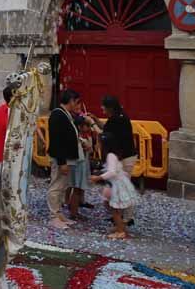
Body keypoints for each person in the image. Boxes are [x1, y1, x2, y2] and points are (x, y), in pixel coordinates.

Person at [84, 95, 138, 223]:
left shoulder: (117, 119)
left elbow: (104, 135)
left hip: (125, 157)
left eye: (104, 107)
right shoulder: (119, 117)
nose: (102, 109)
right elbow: (107, 129)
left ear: (110, 108)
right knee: (118, 187)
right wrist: (96, 120)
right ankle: (119, 215)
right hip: (124, 155)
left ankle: (127, 218)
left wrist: (91, 123)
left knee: (122, 188)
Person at [90, 132, 140, 239]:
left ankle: (121, 231)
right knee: (110, 205)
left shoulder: (110, 155)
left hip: (117, 185)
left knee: (115, 209)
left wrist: (98, 178)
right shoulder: (113, 154)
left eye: (99, 143)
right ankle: (120, 226)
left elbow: (112, 172)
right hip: (116, 183)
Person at [47, 89, 84, 229]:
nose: (77, 105)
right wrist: (62, 162)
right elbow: (57, 140)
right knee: (56, 186)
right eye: (76, 102)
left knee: (62, 186)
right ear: (70, 100)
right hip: (61, 158)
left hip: (67, 157)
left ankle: (59, 214)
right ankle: (53, 215)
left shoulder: (66, 115)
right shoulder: (57, 115)